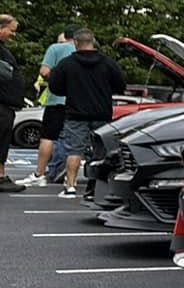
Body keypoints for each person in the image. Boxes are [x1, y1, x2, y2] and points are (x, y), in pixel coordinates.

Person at [47, 29, 124, 198]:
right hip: (102, 114)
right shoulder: (108, 63)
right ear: (93, 41)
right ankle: (94, 188)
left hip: (76, 113)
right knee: (100, 153)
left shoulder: (66, 64)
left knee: (74, 150)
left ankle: (70, 186)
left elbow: (54, 87)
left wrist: (70, 91)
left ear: (75, 43)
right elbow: (120, 85)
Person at [23, 26, 74, 188]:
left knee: (48, 137)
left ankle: (39, 173)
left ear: (65, 37)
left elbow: (44, 71)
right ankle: (68, 177)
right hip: (77, 102)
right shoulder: (86, 51)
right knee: (73, 140)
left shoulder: (55, 49)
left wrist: (57, 79)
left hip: (56, 100)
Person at [0, 14, 23, 193]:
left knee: (3, 140)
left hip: (6, 104)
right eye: (11, 30)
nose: (13, 35)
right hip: (2, 104)